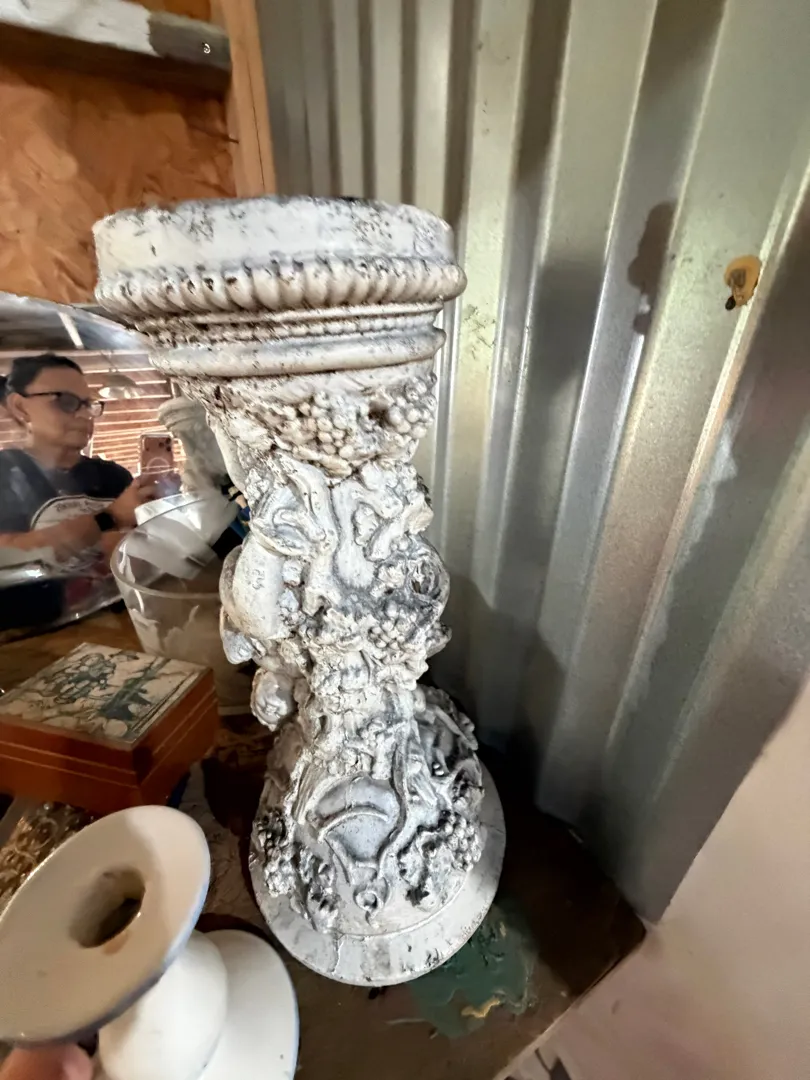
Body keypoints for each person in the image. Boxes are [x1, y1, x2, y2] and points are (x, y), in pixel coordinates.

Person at [0, 353, 156, 628]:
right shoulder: (6, 473)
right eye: (66, 402)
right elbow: (7, 555)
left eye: (88, 404)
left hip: (122, 621)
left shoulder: (114, 476)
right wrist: (110, 517)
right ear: (20, 407)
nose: (85, 415)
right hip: (34, 636)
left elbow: (139, 556)